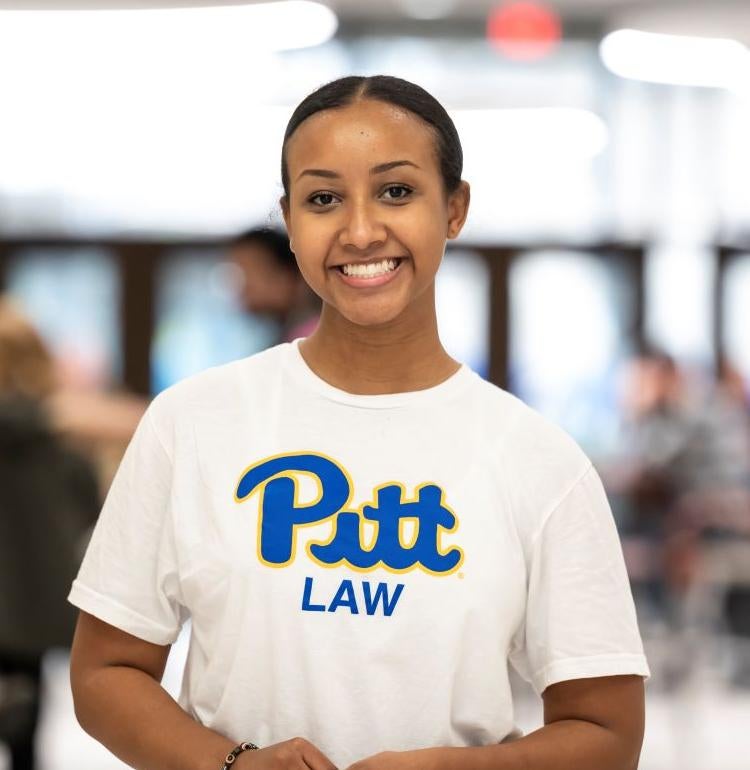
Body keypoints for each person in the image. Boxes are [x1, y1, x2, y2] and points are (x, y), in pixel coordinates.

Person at [67, 75, 649, 770]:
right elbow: (104, 673)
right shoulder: (193, 423)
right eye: (323, 199)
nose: (362, 230)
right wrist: (230, 764)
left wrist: (443, 769)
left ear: (455, 208)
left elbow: (608, 733)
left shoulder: (540, 461)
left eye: (397, 191)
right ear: (289, 220)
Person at [0, 297, 100, 770]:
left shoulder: (65, 437)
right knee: (25, 731)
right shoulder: (67, 445)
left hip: (20, 612)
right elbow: (88, 514)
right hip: (29, 614)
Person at [229, 226, 321, 343]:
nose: (242, 286)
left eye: (248, 271)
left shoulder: (312, 338)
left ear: (287, 275)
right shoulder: (289, 333)